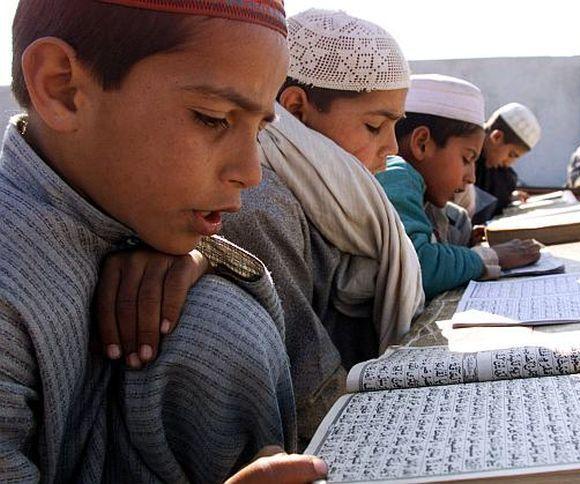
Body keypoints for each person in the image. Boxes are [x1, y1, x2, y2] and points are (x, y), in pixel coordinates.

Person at [0, 0, 327, 482]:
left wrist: (203, 260)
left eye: (258, 129)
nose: (251, 173)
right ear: (62, 87)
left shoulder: (128, 208)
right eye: (213, 117)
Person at [93, 8, 424, 446]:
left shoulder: (340, 206)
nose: (391, 148)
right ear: (296, 110)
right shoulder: (258, 204)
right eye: (374, 125)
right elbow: (312, 392)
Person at [376, 75, 541, 300]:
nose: (472, 177)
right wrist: (489, 257)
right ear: (422, 143)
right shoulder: (396, 173)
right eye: (467, 158)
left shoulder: (423, 193)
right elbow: (417, 266)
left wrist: (462, 238)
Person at [466, 102, 542, 223]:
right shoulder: (464, 157)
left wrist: (509, 198)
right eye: (511, 155)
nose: (509, 163)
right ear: (497, 137)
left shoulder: (500, 171)